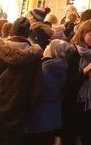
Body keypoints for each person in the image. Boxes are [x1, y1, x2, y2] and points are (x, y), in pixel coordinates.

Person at [0, 17, 43, 145]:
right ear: (27, 33)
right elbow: (37, 89)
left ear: (10, 31)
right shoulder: (34, 56)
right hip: (18, 109)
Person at [25, 38, 74, 144]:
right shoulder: (62, 68)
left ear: (52, 52)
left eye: (49, 45)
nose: (46, 46)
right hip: (53, 118)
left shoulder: (44, 70)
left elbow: (34, 94)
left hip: (37, 118)